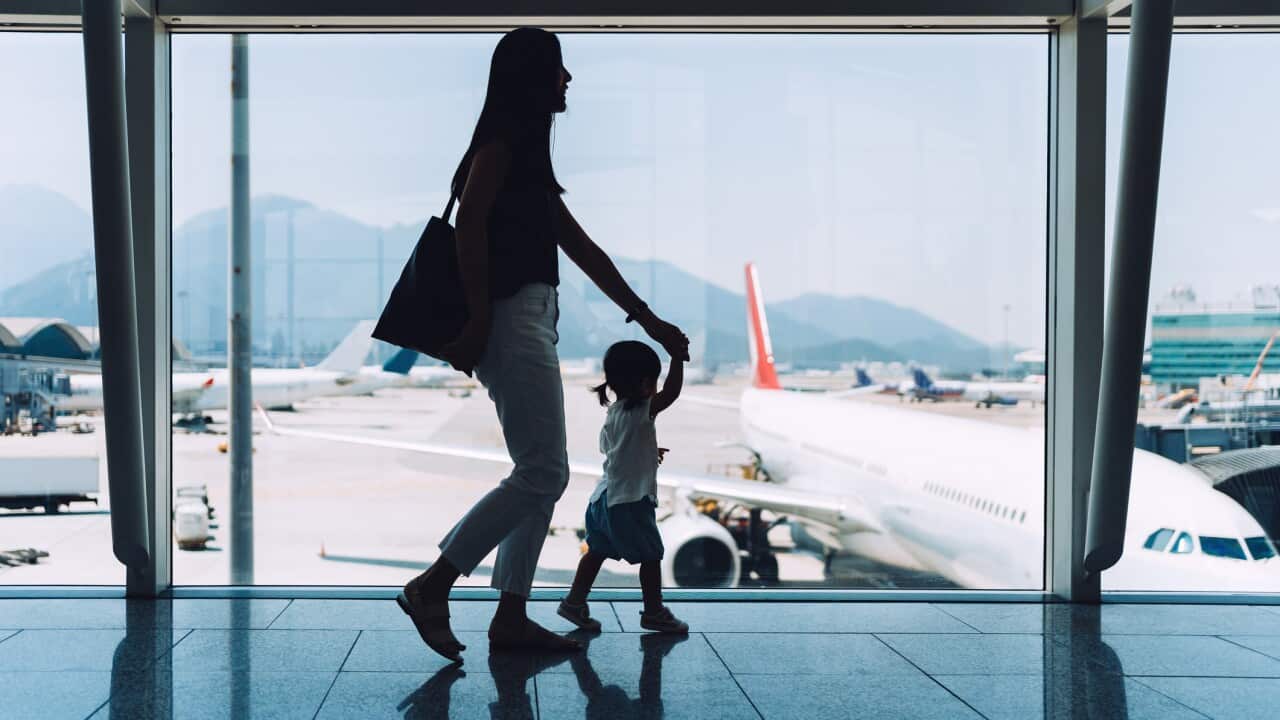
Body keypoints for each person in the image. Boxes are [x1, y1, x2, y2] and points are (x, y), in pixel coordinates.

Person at [396, 27, 690, 664]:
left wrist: (649, 321)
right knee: (544, 472)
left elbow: (584, 251)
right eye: (560, 69)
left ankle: (509, 618)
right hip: (509, 317)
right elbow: (470, 225)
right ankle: (432, 586)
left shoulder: (523, 155)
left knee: (540, 473)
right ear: (533, 78)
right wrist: (477, 321)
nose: (569, 79)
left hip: (527, 317)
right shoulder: (501, 146)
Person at [556, 341, 690, 635]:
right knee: (652, 555)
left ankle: (574, 602)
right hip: (630, 500)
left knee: (596, 551)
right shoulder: (645, 409)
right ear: (645, 383)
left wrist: (648, 449)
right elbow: (672, 393)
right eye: (654, 379)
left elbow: (613, 450)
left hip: (602, 499)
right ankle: (654, 612)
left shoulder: (614, 412)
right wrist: (677, 359)